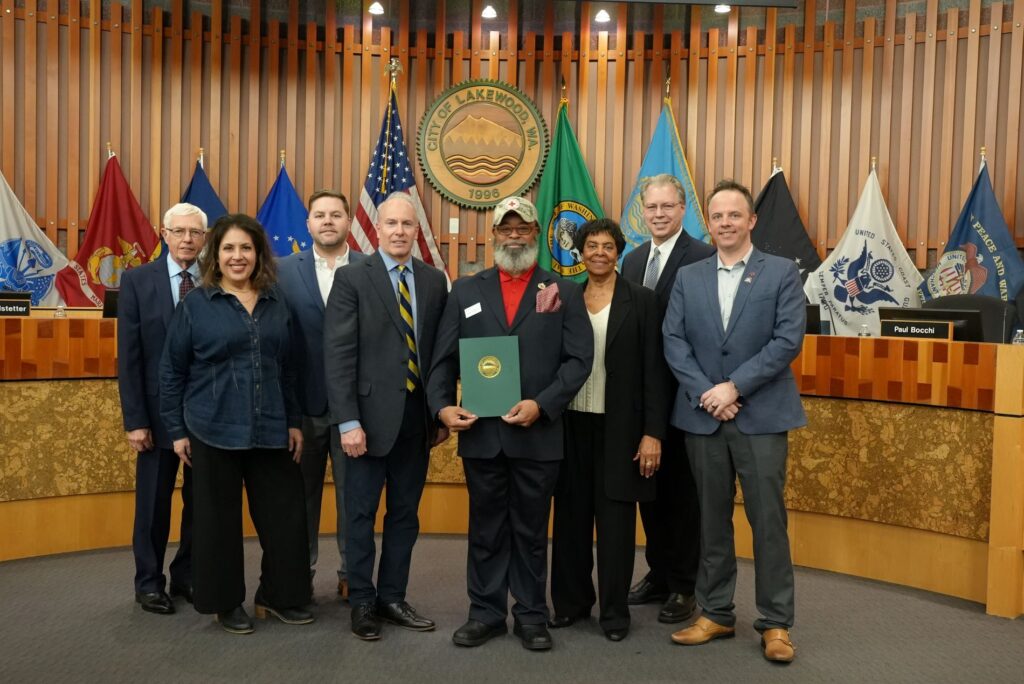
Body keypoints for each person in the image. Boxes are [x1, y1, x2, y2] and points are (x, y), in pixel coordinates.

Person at [427, 196, 593, 651]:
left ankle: (531, 615)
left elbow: (579, 361)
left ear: (537, 235)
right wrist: (441, 406)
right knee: (485, 528)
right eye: (506, 229)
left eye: (523, 229)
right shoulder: (464, 290)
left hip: (538, 434)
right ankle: (484, 613)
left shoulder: (564, 291)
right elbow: (441, 358)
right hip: (482, 436)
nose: (515, 235)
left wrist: (543, 404)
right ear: (494, 236)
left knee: (531, 529)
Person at [663, 180, 805, 663]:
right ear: (710, 221)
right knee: (709, 521)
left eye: (733, 215)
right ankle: (716, 612)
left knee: (768, 522)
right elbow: (673, 341)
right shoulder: (689, 276)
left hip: (762, 417)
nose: (725, 223)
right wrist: (709, 394)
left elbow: (786, 341)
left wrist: (734, 387)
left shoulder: (782, 273)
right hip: (703, 418)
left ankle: (776, 622)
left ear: (751, 221)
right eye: (717, 216)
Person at [160, 213, 313, 635]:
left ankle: (278, 597)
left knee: (285, 520)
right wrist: (176, 430)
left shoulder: (277, 301)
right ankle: (225, 603)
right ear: (216, 254)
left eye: (246, 247)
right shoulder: (196, 303)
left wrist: (295, 421)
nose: (237, 256)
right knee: (217, 523)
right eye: (228, 248)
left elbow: (291, 367)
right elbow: (172, 371)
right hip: (212, 429)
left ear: (258, 253)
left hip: (273, 427)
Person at [323, 192, 448, 641]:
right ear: (377, 228)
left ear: (417, 231)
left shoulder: (434, 281)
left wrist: (438, 414)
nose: (399, 231)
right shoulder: (353, 278)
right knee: (359, 516)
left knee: (403, 517)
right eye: (391, 224)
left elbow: (438, 355)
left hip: (416, 424)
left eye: (407, 225)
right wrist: (347, 422)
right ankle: (361, 602)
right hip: (365, 424)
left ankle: (392, 597)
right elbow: (337, 356)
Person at [548, 219, 670, 642]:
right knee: (570, 521)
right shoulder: (564, 297)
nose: (599, 252)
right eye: (590, 245)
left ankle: (615, 614)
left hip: (622, 430)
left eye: (607, 246)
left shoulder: (643, 300)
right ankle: (571, 604)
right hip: (570, 426)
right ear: (579, 252)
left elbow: (656, 370)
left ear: (619, 252)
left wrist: (653, 432)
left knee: (616, 527)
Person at [621, 173, 716, 624]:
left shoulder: (704, 257)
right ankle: (659, 573)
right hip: (642, 397)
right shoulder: (633, 259)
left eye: (667, 207)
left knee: (681, 495)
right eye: (652, 208)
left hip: (685, 397)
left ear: (683, 210)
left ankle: (684, 585)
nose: (659, 215)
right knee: (649, 492)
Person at [118, 203, 206, 615]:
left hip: (206, 416)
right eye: (179, 231)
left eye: (195, 232)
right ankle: (149, 581)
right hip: (153, 418)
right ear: (163, 233)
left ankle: (186, 574)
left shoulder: (217, 278)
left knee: (200, 503)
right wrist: (134, 421)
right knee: (153, 505)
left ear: (204, 239)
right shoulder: (137, 281)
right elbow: (129, 357)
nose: (187, 239)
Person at [278, 190, 366, 600]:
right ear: (308, 223)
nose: (328, 221)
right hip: (303, 408)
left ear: (349, 221)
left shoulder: (371, 269)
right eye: (320, 215)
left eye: (336, 214)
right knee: (299, 500)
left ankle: (353, 574)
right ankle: (301, 574)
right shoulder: (281, 271)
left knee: (355, 500)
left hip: (356, 410)